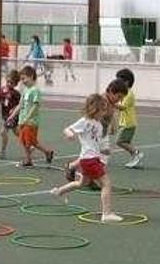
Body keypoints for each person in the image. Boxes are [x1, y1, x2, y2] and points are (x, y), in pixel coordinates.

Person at [50, 94, 123, 223]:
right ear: (94, 109)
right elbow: (67, 129)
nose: (105, 113)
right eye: (102, 110)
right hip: (90, 160)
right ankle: (106, 214)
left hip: (89, 159)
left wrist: (104, 150)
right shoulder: (85, 121)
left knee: (81, 183)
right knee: (106, 184)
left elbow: (95, 143)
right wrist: (70, 134)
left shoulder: (99, 125)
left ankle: (59, 191)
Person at [8, 65, 55, 167]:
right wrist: (13, 115)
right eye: (21, 79)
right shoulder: (25, 91)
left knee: (32, 141)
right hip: (22, 120)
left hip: (31, 121)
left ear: (31, 76)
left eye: (24, 78)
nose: (23, 81)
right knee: (24, 141)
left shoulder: (35, 91)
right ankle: (29, 159)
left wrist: (28, 117)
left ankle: (47, 152)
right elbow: (20, 105)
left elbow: (35, 106)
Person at [114, 69, 145, 169]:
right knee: (125, 141)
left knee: (120, 141)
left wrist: (111, 103)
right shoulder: (125, 93)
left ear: (126, 82)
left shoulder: (129, 94)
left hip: (128, 123)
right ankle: (135, 156)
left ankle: (137, 153)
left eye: (120, 81)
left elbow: (122, 107)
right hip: (126, 122)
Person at [0, 69, 21, 159]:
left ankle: (2, 151)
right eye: (8, 81)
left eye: (11, 83)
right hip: (5, 116)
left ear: (15, 84)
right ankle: (29, 144)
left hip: (12, 117)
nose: (9, 84)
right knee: (17, 132)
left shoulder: (16, 94)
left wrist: (14, 110)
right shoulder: (1, 90)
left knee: (3, 132)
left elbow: (20, 104)